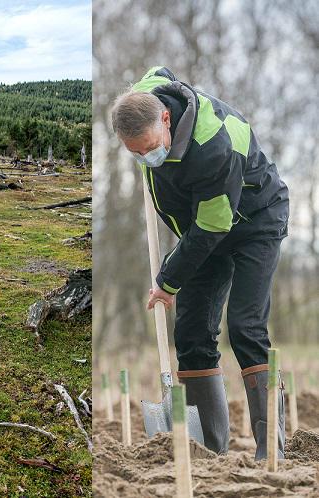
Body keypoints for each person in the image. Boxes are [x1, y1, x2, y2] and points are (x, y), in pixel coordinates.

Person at [110, 66, 289, 459]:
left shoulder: (213, 146)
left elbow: (213, 227)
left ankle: (270, 449)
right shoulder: (146, 99)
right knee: (190, 333)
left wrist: (168, 280)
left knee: (245, 326)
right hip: (201, 227)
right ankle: (208, 450)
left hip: (253, 222)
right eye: (135, 153)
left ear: (166, 118)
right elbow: (158, 71)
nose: (146, 157)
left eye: (149, 147)